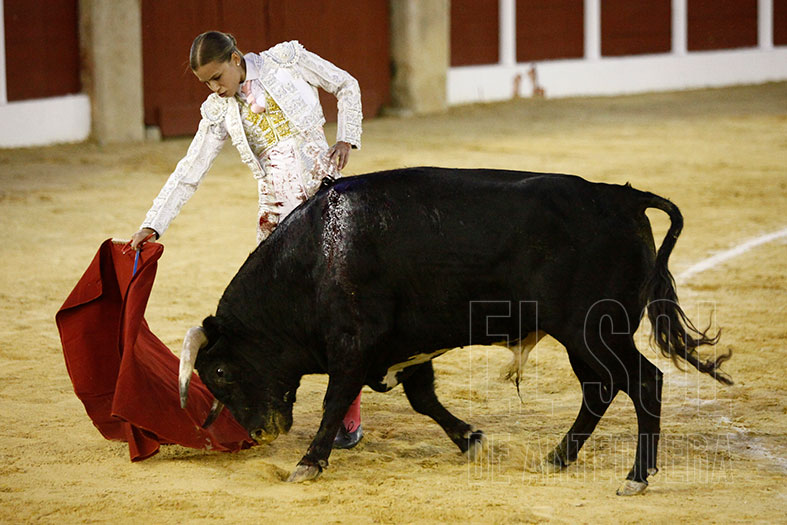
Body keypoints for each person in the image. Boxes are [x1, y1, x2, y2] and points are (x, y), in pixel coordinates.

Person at [129, 31, 364, 448]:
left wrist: (346, 136)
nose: (214, 88)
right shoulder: (218, 111)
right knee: (276, 322)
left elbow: (346, 84)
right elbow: (190, 170)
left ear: (236, 59)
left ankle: (348, 416)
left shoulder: (288, 60)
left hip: (325, 200)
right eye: (206, 83)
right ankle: (259, 405)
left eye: (217, 77)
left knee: (340, 308)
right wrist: (153, 223)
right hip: (276, 222)